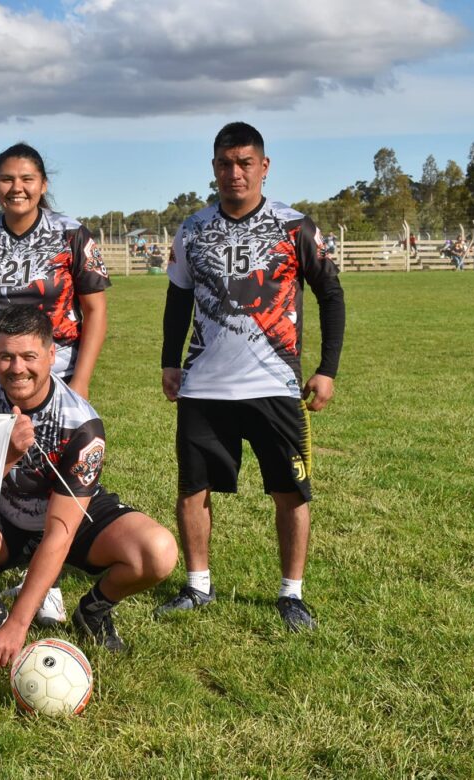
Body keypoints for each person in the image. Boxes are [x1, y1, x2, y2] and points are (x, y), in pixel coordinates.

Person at [158, 122, 345, 632]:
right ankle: (198, 586)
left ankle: (291, 595)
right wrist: (169, 361)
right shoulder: (192, 229)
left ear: (264, 167)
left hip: (275, 386)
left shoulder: (296, 227)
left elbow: (331, 295)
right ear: (213, 168)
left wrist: (327, 369)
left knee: (291, 492)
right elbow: (178, 299)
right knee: (193, 489)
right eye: (224, 163)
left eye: (244, 163)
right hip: (203, 386)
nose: (234, 173)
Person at [0, 306, 177, 664]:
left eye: (28, 356)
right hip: (0, 517)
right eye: (6, 357)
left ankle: (94, 609)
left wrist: (19, 625)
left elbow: (60, 532)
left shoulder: (82, 423)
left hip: (62, 519)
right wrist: (6, 457)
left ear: (52, 356)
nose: (17, 368)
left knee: (157, 552)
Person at [0, 142, 110, 401]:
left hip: (59, 375)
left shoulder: (71, 234)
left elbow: (96, 310)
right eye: (6, 179)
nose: (17, 188)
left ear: (43, 184)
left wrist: (81, 381)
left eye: (27, 179)